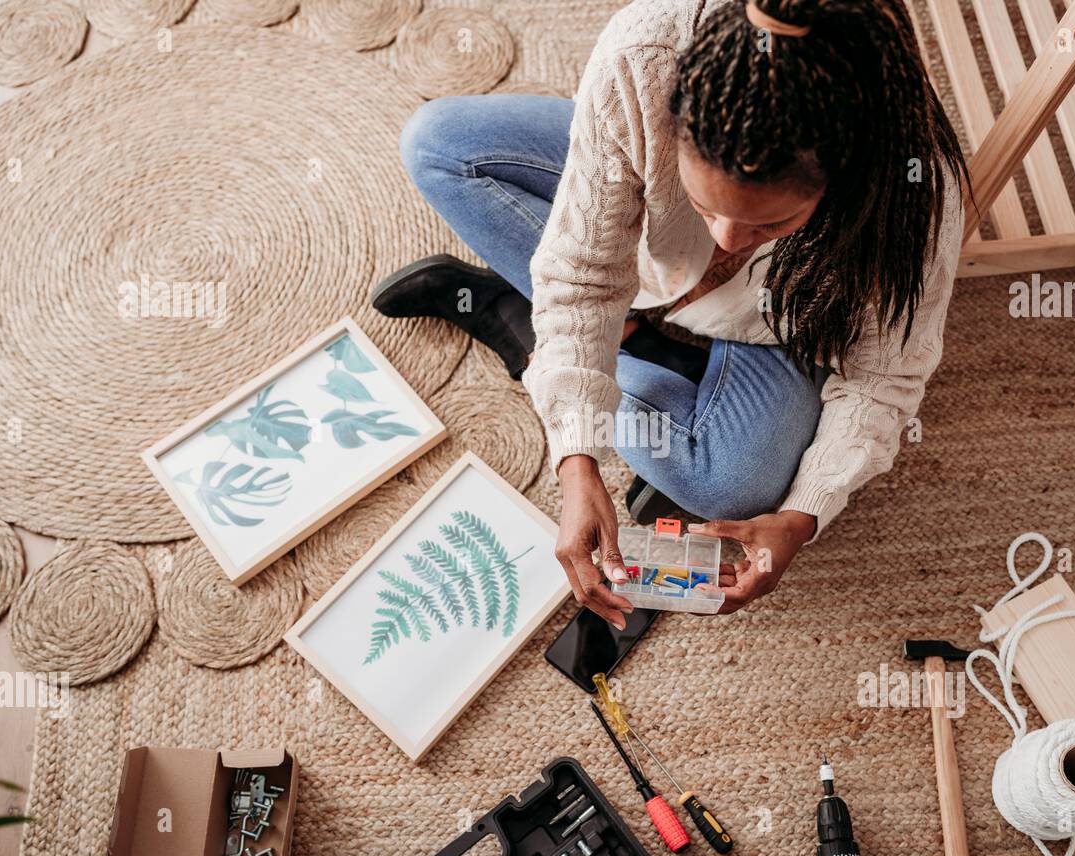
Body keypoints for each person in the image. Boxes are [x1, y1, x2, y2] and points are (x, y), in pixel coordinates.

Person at [374, 0, 966, 626]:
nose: (729, 242)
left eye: (771, 222)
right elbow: (584, 270)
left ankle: (535, 332)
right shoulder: (646, 57)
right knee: (437, 144)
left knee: (732, 487)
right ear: (678, 119)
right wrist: (578, 460)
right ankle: (611, 337)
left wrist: (801, 516)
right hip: (644, 252)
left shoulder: (912, 201)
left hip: (769, 330)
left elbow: (884, 379)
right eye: (704, 203)